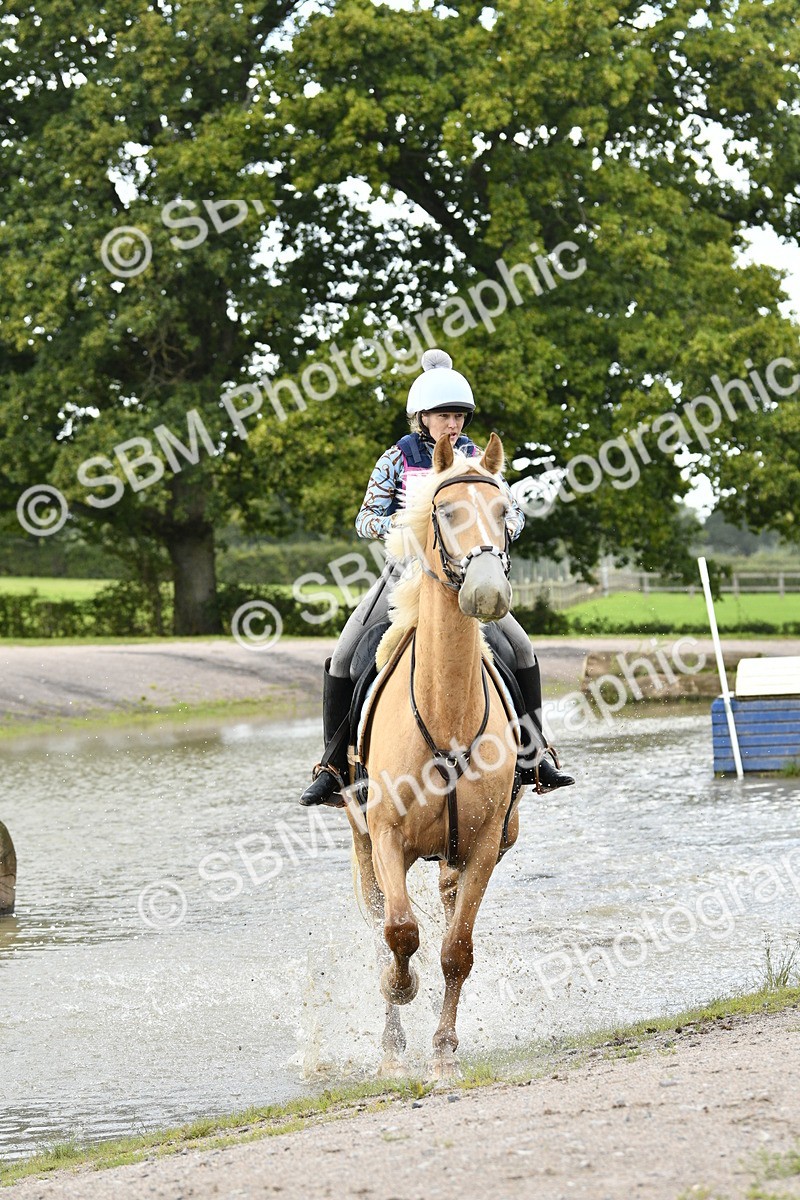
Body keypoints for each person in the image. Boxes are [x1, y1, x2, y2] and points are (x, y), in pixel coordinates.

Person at [300, 348, 575, 806]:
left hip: (465, 576)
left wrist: (498, 528)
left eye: (460, 415)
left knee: (520, 647)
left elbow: (516, 515)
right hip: (405, 571)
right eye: (445, 415)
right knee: (345, 653)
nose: (454, 424)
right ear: (422, 417)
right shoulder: (396, 459)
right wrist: (411, 526)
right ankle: (333, 766)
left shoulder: (475, 460)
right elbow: (365, 519)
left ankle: (534, 754)